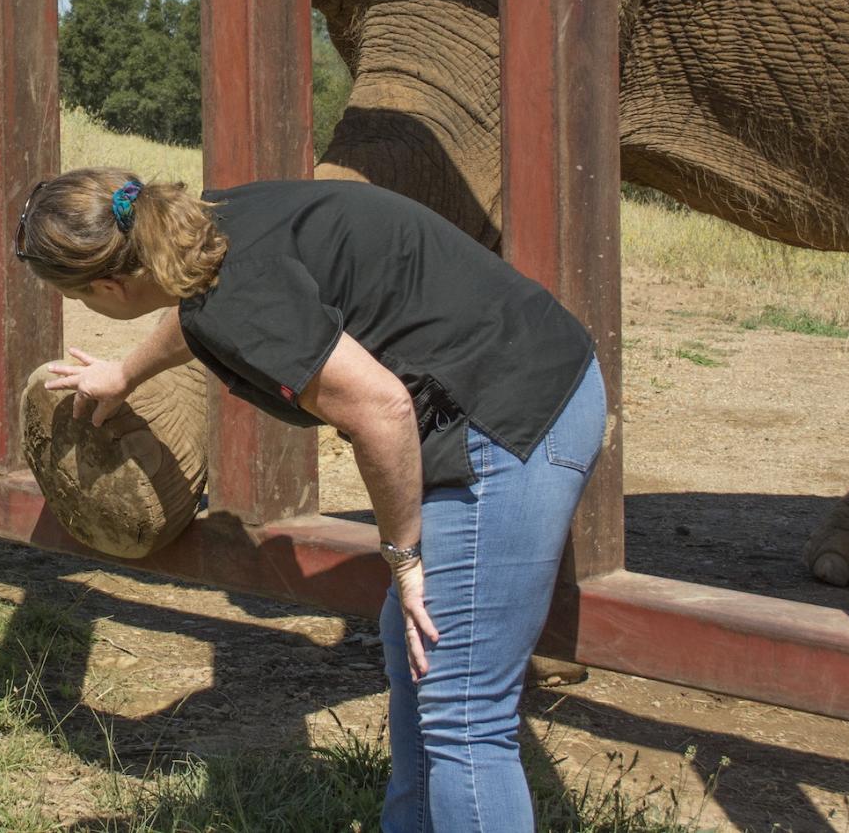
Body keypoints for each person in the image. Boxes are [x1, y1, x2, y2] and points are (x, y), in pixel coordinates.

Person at [30, 167, 604, 833]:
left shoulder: (232, 294)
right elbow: (194, 310)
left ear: (108, 286)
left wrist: (404, 554)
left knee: (464, 707)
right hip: (499, 383)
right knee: (415, 657)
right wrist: (124, 373)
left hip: (511, 413)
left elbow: (381, 408)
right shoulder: (203, 227)